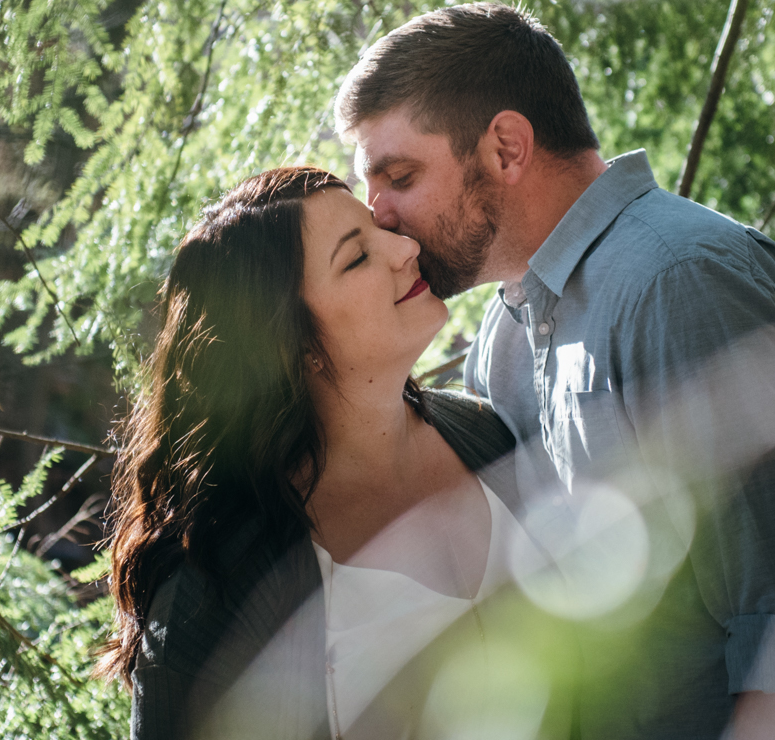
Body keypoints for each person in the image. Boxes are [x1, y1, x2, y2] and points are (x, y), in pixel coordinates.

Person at [336, 3, 775, 740]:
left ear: (505, 147)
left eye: (399, 175)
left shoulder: (679, 283)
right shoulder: (503, 338)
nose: (380, 215)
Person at [101, 166, 532, 740]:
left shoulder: (488, 430)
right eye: (356, 258)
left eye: (382, 229)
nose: (406, 248)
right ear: (292, 345)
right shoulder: (214, 590)